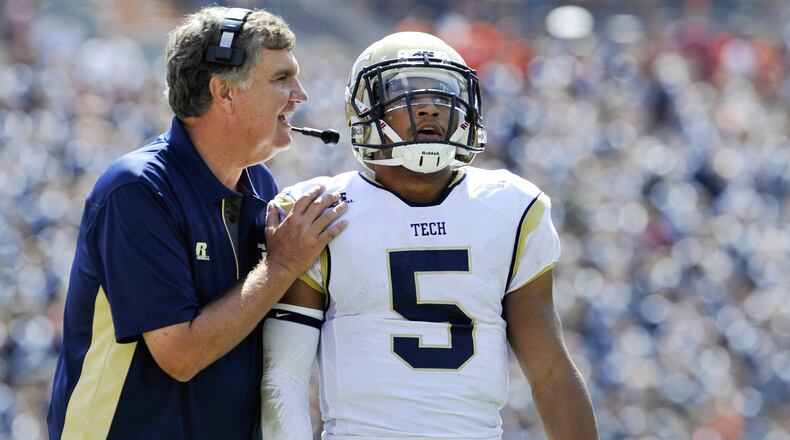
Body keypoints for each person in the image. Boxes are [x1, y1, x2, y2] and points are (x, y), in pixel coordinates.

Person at [261, 32, 598, 439]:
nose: (430, 107)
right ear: (364, 108)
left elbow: (551, 371)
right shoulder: (317, 210)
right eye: (406, 91)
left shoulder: (512, 209)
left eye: (444, 93)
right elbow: (284, 379)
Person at [47, 6, 348, 440]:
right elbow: (180, 355)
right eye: (281, 78)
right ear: (224, 92)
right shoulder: (135, 190)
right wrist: (281, 267)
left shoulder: (259, 181)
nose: (300, 94)